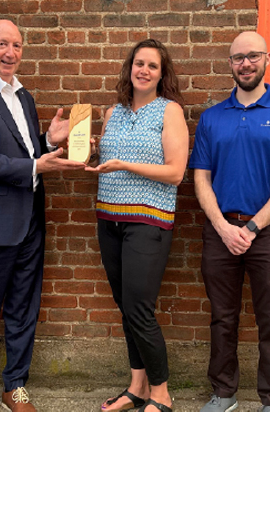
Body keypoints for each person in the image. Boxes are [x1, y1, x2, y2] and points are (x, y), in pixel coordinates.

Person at [0, 19, 86, 412]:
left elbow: (23, 153)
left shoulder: (23, 97)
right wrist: (37, 165)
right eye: (2, 44)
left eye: (17, 45)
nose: (11, 53)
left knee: (24, 309)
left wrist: (48, 142)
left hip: (29, 221)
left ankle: (15, 386)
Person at [187, 31, 270, 412]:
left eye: (253, 56)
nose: (245, 64)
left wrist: (252, 227)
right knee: (222, 318)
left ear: (267, 59)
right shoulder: (212, 118)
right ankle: (224, 393)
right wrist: (224, 227)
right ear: (230, 64)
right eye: (238, 58)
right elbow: (200, 178)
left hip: (269, 233)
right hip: (220, 230)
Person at [87, 39, 189, 413]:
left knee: (139, 309)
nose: (144, 70)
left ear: (162, 74)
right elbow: (107, 160)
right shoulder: (112, 113)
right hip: (109, 219)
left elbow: (175, 173)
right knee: (125, 307)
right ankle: (136, 387)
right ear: (130, 68)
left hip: (148, 221)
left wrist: (124, 165)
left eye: (152, 66)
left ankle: (161, 393)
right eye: (139, 63)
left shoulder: (169, 111)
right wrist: (92, 150)